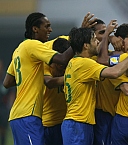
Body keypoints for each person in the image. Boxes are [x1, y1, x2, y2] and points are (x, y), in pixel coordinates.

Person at [61, 27, 128, 145]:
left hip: (80, 122)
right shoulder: (84, 63)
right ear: (86, 46)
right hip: (77, 123)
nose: (97, 42)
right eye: (94, 40)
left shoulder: (75, 62)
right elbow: (115, 72)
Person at [3, 12, 74, 145]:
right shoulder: (32, 46)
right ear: (35, 29)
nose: (50, 30)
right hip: (27, 114)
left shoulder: (19, 49)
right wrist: (77, 41)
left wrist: (29, 77)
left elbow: (7, 82)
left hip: (20, 115)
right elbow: (63, 58)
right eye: (46, 26)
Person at [93, 23, 128, 145]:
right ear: (120, 40)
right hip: (104, 116)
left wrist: (110, 37)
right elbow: (104, 60)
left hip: (122, 117)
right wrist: (109, 36)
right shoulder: (115, 56)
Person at [42, 38, 71, 145]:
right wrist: (71, 77)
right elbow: (49, 83)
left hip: (64, 122)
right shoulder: (44, 64)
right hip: (46, 123)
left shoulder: (71, 65)